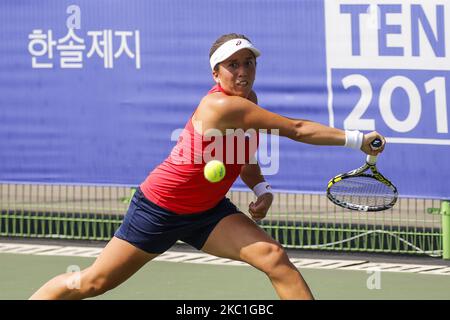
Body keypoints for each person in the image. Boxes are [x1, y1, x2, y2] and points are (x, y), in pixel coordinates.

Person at [30, 33, 385, 300]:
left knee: (274, 258)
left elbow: (242, 151)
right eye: (233, 65)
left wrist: (260, 188)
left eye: (249, 63)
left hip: (208, 211)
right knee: (91, 282)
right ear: (216, 74)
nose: (243, 71)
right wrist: (356, 139)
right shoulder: (221, 107)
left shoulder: (249, 102)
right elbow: (296, 129)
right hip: (159, 208)